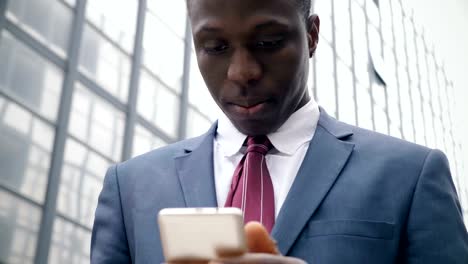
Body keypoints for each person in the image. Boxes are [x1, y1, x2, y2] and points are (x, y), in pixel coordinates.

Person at [91, 0, 468, 263]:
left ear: (312, 35)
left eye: (268, 43)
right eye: (215, 46)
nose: (242, 72)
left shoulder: (411, 176)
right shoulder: (129, 188)